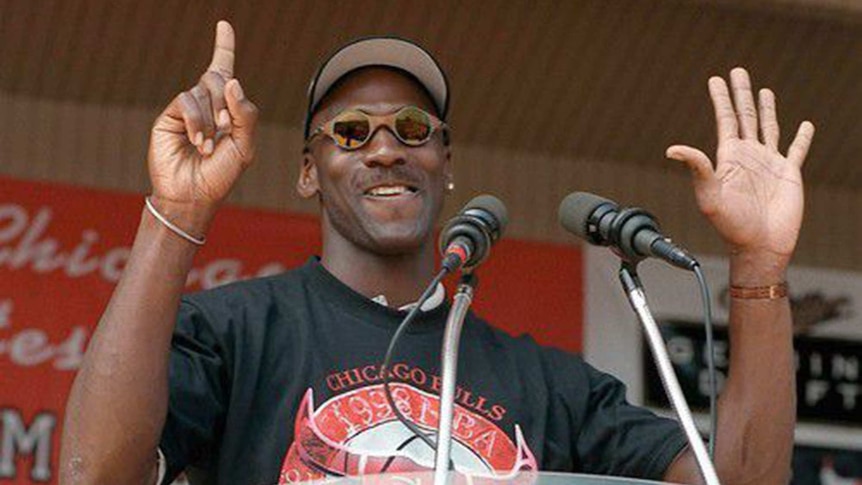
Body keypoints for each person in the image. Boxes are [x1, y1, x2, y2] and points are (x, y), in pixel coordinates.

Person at [59, 20, 814, 485]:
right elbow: (95, 475)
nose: (386, 148)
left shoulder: (547, 385)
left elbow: (738, 480)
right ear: (305, 171)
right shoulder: (236, 333)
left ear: (447, 164)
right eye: (351, 131)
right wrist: (178, 211)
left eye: (413, 130)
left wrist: (758, 268)